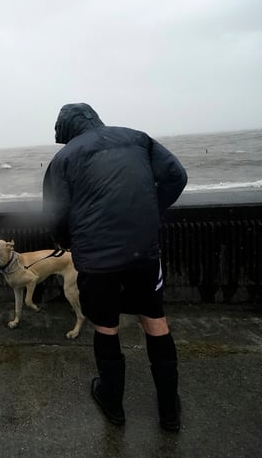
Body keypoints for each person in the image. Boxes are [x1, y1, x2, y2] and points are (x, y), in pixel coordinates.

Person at [42, 103, 187, 432]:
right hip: (143, 251)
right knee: (154, 318)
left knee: (106, 324)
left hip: (95, 258)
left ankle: (113, 403)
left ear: (66, 131)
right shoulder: (137, 138)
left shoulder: (64, 159)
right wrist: (148, 210)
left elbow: (54, 214)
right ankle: (169, 411)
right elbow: (176, 177)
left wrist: (67, 239)